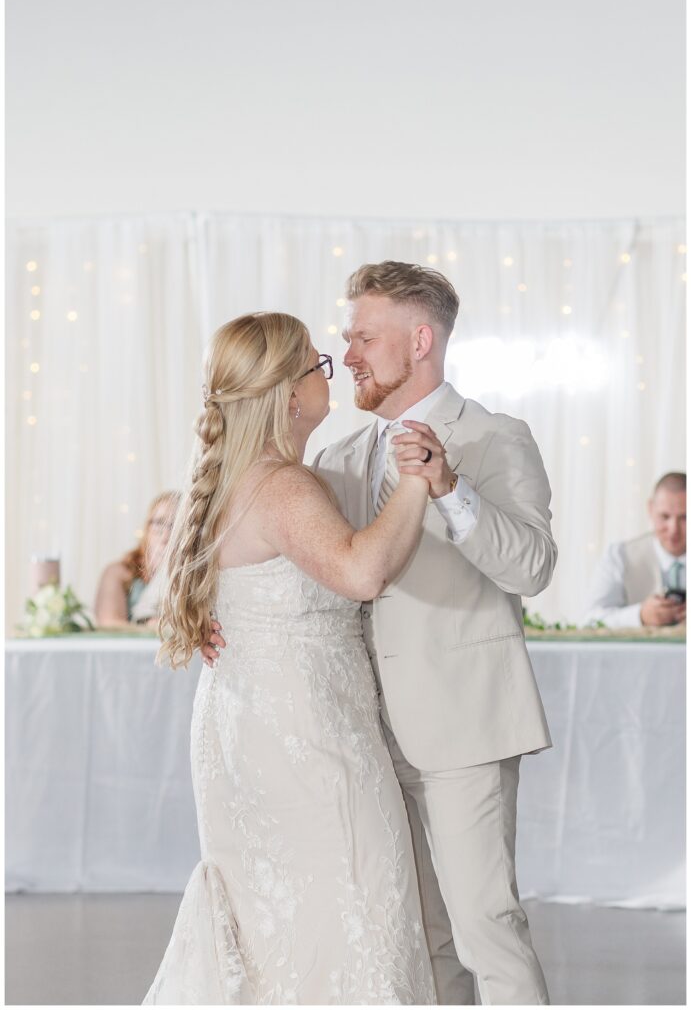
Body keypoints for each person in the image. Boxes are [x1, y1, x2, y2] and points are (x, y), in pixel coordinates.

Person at [206, 262, 556, 1005]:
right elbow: (299, 559)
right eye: (344, 338)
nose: (349, 352)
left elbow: (530, 568)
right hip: (355, 739)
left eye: (363, 336)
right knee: (419, 939)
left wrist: (450, 490)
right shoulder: (334, 458)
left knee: (484, 928)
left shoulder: (494, 437)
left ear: (419, 339)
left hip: (461, 728)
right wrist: (218, 605)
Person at [144, 313, 435, 1005]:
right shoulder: (284, 486)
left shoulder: (223, 482)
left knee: (282, 924)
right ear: (286, 393)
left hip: (248, 724)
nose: (326, 369)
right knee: (355, 907)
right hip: (306, 738)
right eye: (314, 364)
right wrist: (418, 480)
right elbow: (362, 573)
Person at [584, 472, 686, 628]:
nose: (673, 529)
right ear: (651, 509)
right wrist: (640, 615)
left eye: (685, 518)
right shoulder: (619, 556)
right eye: (665, 517)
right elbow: (591, 621)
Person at [93, 491, 179, 628]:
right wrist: (156, 625)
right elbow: (109, 625)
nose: (166, 534)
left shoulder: (192, 575)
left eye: (175, 525)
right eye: (159, 522)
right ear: (147, 528)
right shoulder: (118, 572)